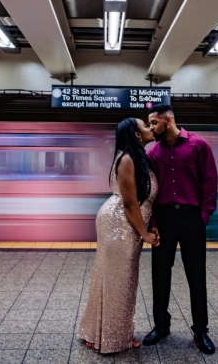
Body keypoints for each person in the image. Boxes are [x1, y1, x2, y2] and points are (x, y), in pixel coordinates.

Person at [79, 118, 160, 354]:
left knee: (120, 280)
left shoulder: (139, 157)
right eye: (145, 125)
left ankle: (105, 333)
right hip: (119, 224)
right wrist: (144, 232)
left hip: (128, 226)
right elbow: (129, 202)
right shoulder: (127, 159)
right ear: (136, 134)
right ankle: (110, 337)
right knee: (117, 281)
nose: (150, 128)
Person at [143, 104, 218, 355]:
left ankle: (200, 331)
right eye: (149, 123)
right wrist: (153, 223)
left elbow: (210, 181)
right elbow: (151, 192)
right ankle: (161, 326)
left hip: (192, 218)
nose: (151, 127)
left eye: (154, 122)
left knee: (196, 275)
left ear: (169, 120)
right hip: (164, 219)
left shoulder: (198, 145)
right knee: (160, 274)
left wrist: (203, 216)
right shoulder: (153, 154)